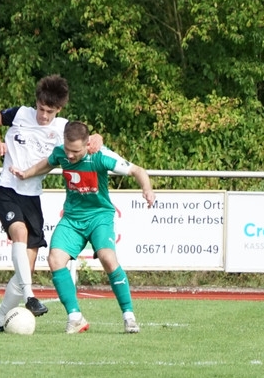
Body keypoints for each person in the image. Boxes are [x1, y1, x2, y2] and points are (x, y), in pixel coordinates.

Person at [12, 121, 156, 334]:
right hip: (72, 219)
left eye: (76, 152)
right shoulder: (61, 153)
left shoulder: (100, 156)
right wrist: (26, 173)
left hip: (99, 217)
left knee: (108, 258)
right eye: (68, 150)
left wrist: (147, 189)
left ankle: (129, 316)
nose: (70, 156)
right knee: (55, 259)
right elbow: (47, 163)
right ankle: (75, 316)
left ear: (88, 144)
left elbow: (137, 170)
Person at [0, 75, 101, 332]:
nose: (44, 115)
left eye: (50, 111)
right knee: (20, 233)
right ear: (35, 103)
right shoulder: (20, 114)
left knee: (25, 266)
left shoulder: (63, 127)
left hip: (33, 196)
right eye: (41, 108)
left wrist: (98, 139)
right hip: (7, 189)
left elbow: (89, 138)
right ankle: (30, 298)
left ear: (59, 109)